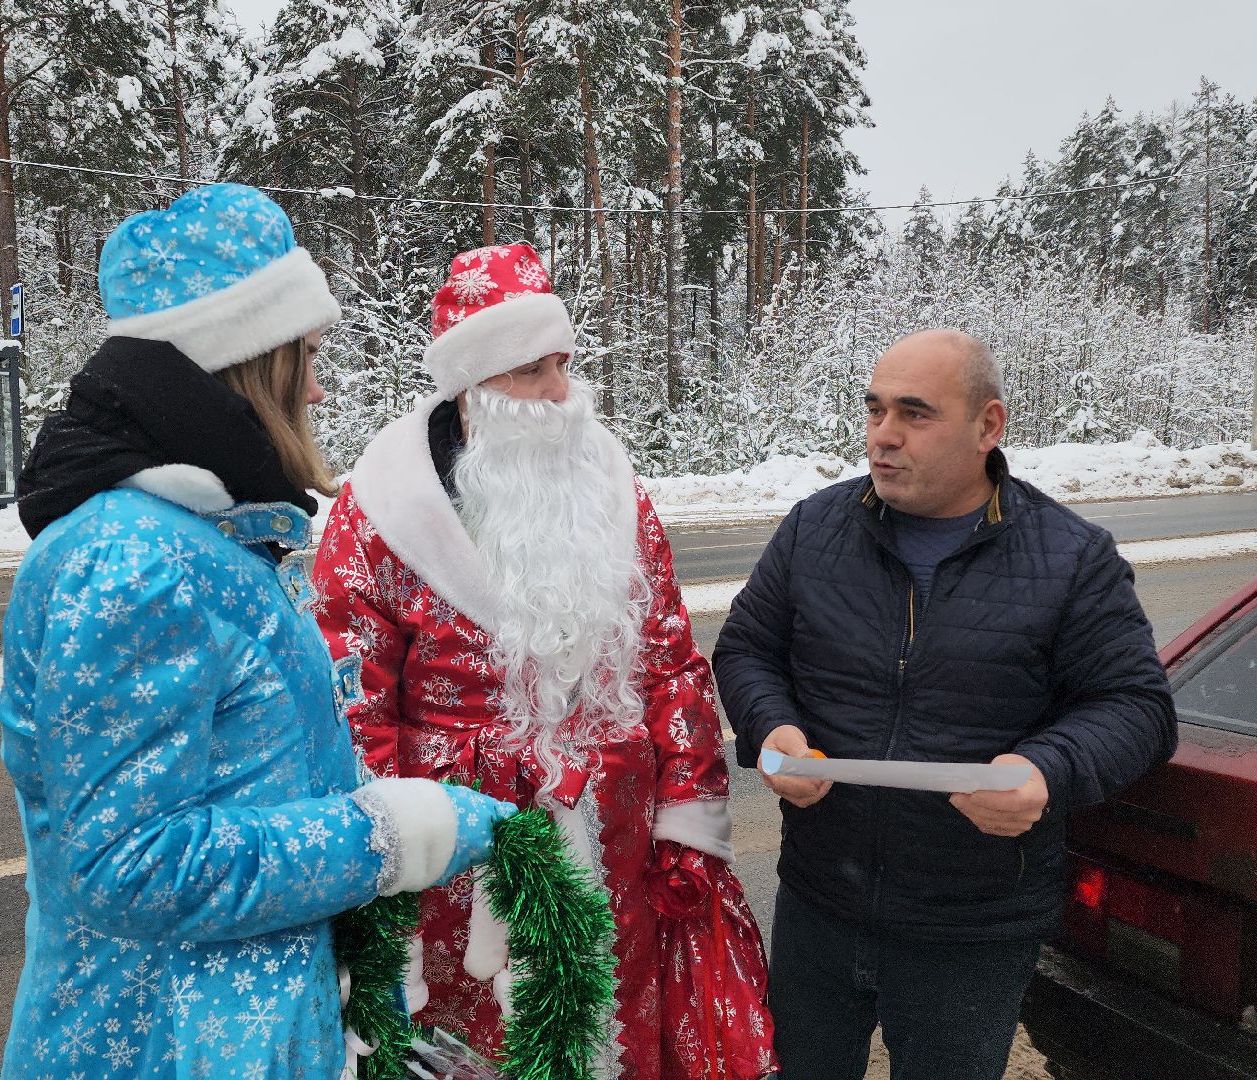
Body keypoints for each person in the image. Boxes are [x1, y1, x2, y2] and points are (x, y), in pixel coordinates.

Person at [0, 183, 514, 1080]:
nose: (318, 385)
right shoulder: (134, 562)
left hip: (236, 1035)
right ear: (241, 362)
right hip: (166, 1045)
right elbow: (127, 865)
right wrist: (384, 836)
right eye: (305, 354)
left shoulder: (208, 542)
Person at [313, 244, 775, 1079]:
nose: (561, 394)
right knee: (480, 1048)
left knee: (611, 1029)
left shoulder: (613, 486)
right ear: (472, 385)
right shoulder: (381, 513)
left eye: (563, 363)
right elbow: (350, 703)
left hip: (614, 836)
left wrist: (687, 813)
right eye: (531, 371)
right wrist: (379, 878)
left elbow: (668, 659)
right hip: (459, 852)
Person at [712, 329, 1176, 1080]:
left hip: (972, 926)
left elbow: (1136, 707)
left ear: (989, 426)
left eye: (914, 414)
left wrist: (1045, 769)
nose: (882, 437)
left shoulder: (1071, 557)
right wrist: (775, 728)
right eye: (874, 411)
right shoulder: (815, 528)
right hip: (820, 901)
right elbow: (746, 650)